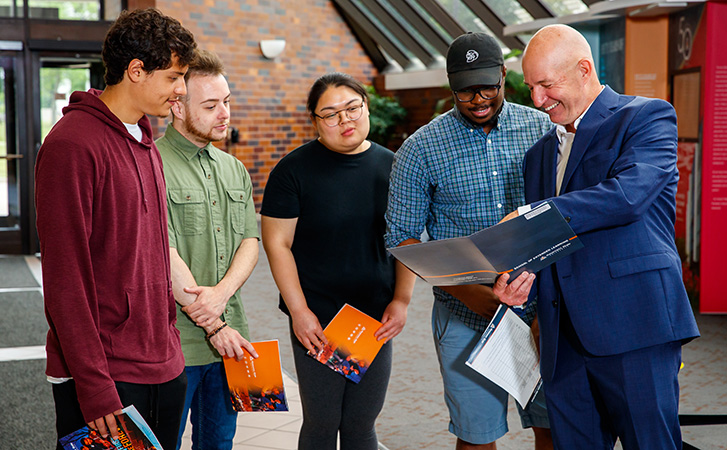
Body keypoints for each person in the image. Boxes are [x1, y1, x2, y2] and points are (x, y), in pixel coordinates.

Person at [509, 24, 700, 449]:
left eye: (546, 85)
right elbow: (546, 241)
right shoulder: (537, 156)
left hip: (636, 327)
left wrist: (534, 214)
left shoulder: (646, 117)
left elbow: (628, 196)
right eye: (530, 87)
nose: (537, 100)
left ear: (583, 69)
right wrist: (519, 272)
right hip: (563, 343)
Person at [35, 8, 197, 450]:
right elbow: (65, 279)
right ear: (136, 71)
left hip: (162, 365)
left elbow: (153, 253)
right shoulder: (71, 145)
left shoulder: (145, 140)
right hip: (105, 376)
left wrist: (172, 348)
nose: (181, 90)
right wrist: (95, 385)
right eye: (174, 76)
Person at [384, 32, 554, 450]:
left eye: (487, 87)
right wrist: (466, 292)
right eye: (464, 91)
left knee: (555, 428)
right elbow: (402, 238)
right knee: (477, 437)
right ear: (450, 85)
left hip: (543, 312)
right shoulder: (420, 149)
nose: (477, 99)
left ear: (503, 75)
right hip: (465, 316)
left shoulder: (543, 127)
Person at [260, 72, 414, 450]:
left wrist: (402, 299)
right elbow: (277, 243)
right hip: (320, 319)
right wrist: (299, 311)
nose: (344, 119)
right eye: (330, 114)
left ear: (366, 106)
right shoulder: (292, 171)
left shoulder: (394, 166)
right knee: (323, 422)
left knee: (362, 424)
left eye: (352, 108)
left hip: (373, 318)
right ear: (314, 121)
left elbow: (406, 238)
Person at [155, 49, 259, 450]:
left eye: (227, 102)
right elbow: (161, 253)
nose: (224, 114)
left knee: (219, 442)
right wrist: (210, 319)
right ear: (177, 107)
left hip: (233, 338)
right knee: (164, 441)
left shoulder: (234, 168)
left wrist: (220, 296)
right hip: (176, 343)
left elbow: (250, 241)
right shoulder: (151, 164)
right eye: (212, 105)